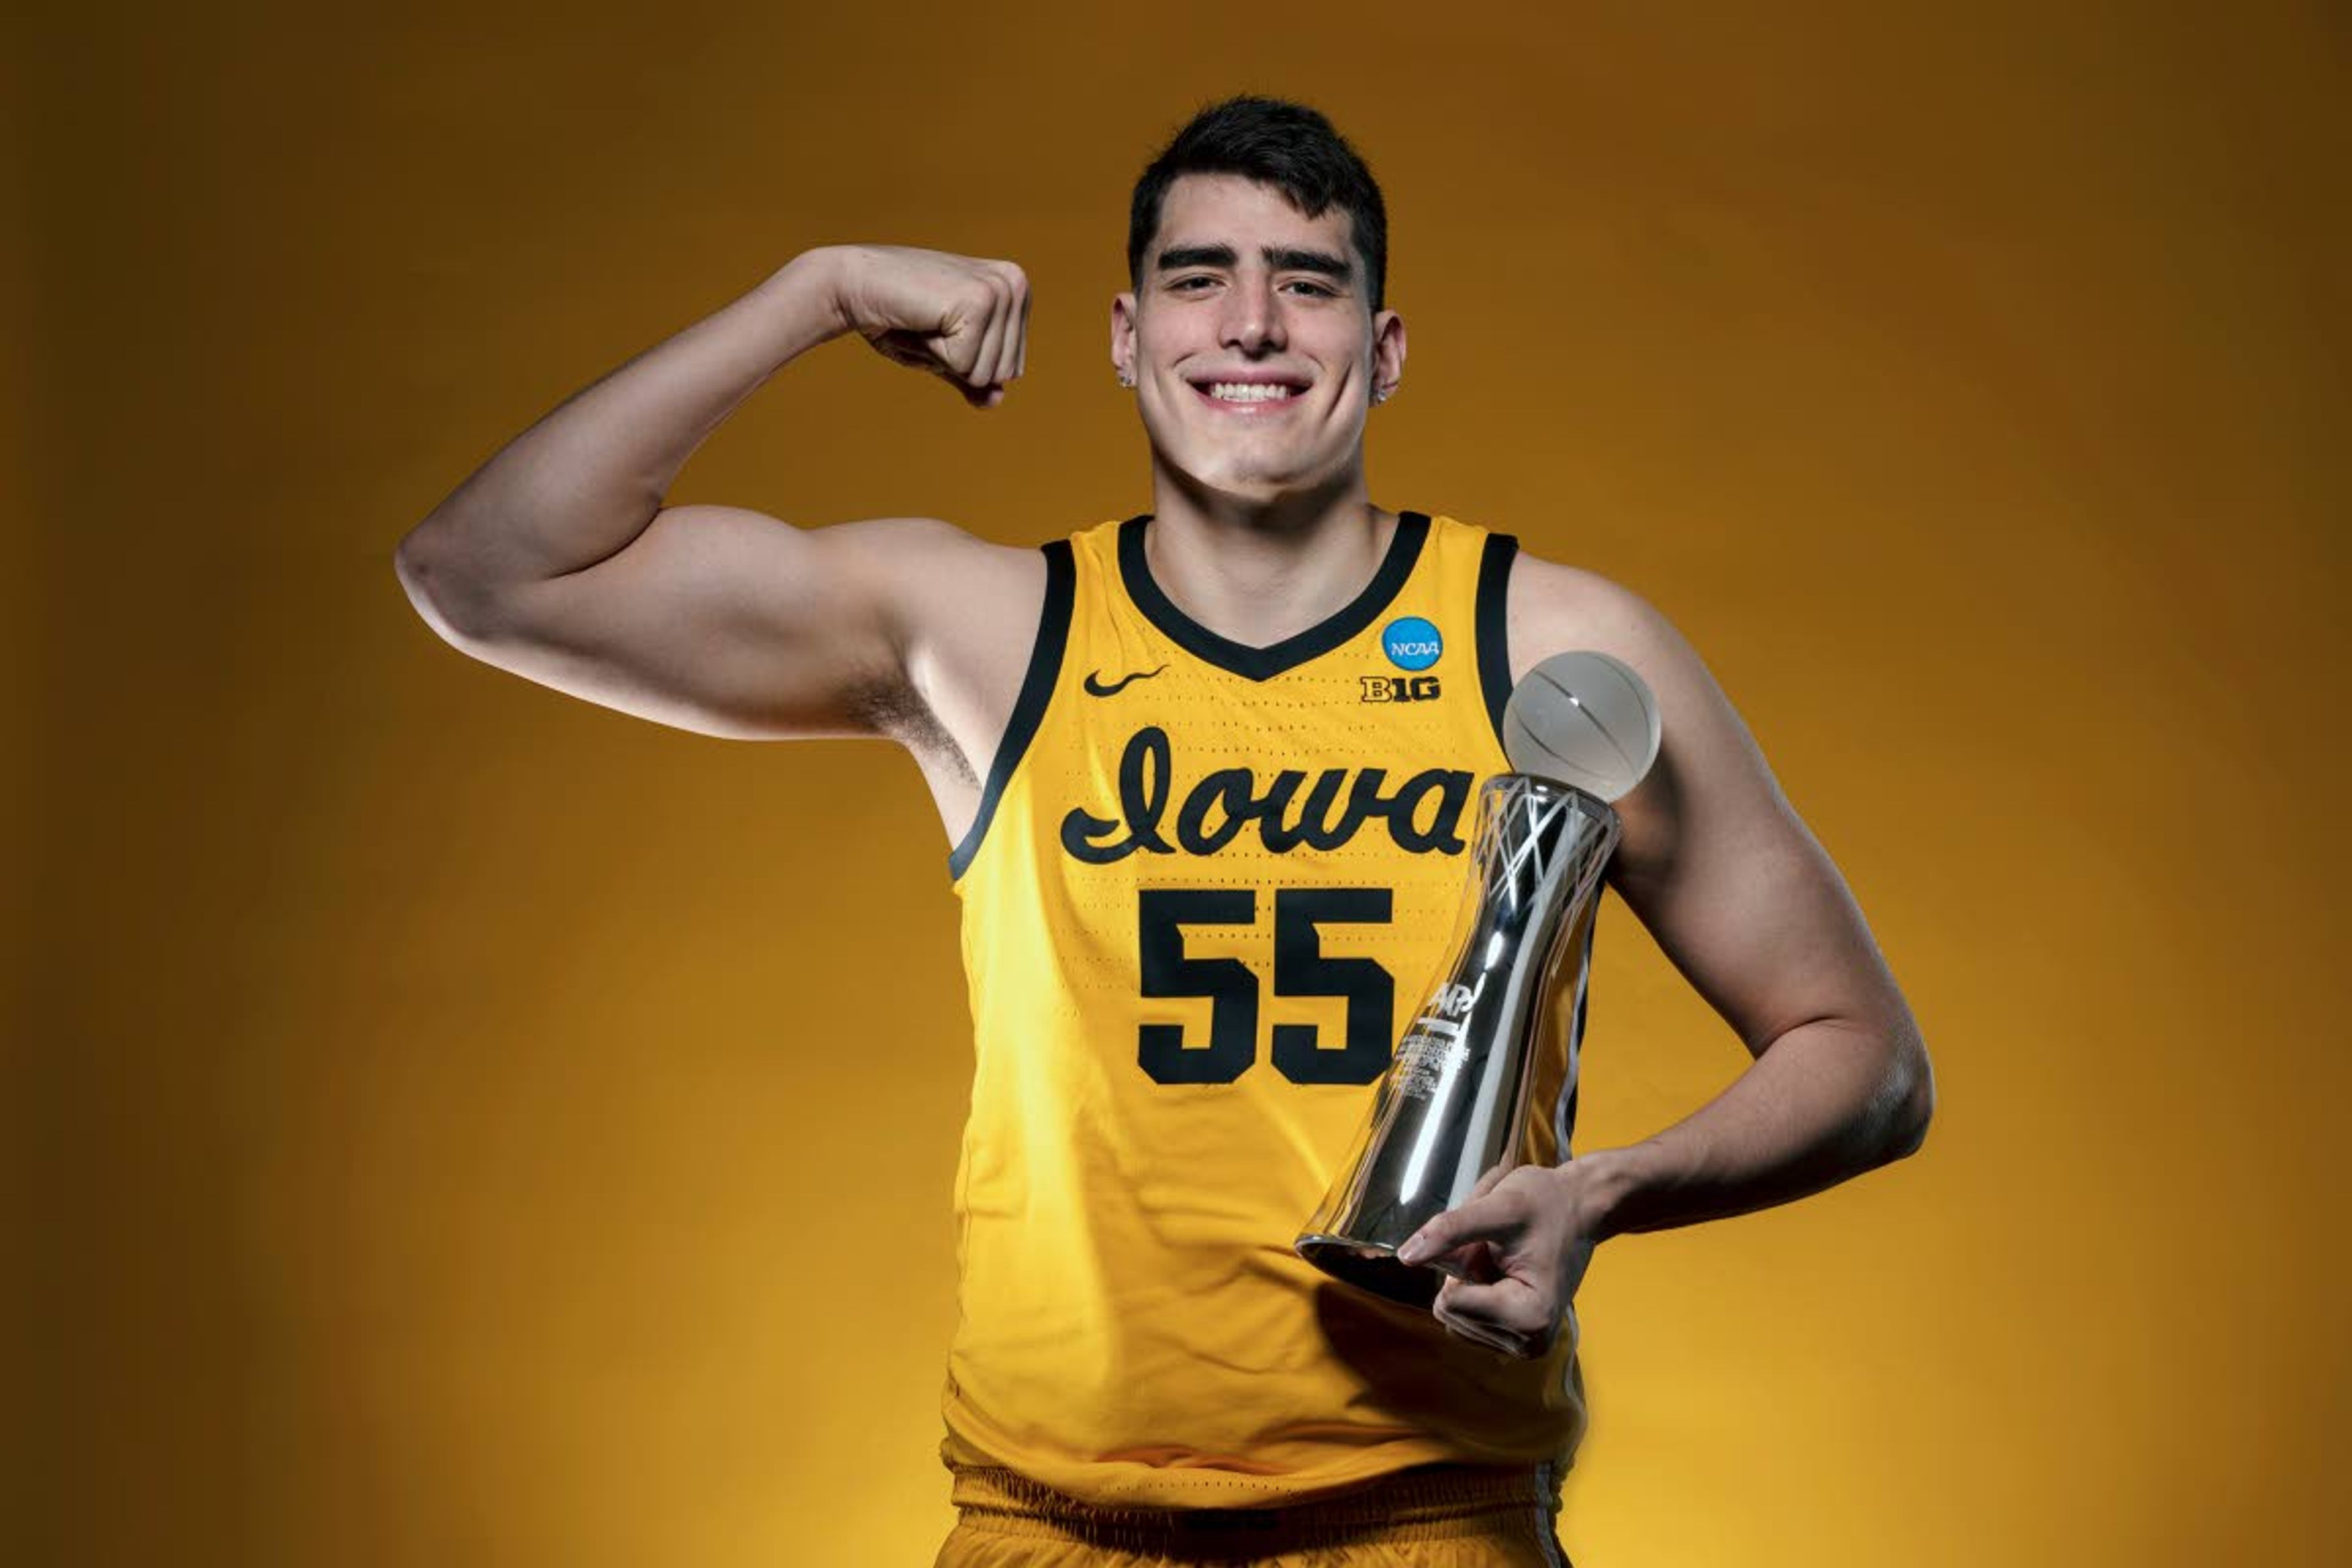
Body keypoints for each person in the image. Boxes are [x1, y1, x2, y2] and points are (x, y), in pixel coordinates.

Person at [394, 95, 1934, 1567]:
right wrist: (818, 290)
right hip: (1052, 1519)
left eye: (1308, 285)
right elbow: (486, 571)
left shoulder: (1551, 644)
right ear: (1130, 340)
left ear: (1384, 349)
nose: (1252, 325)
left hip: (1428, 1511)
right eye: (1199, 280)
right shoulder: (989, 629)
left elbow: (1864, 1052)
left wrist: (1603, 1193)